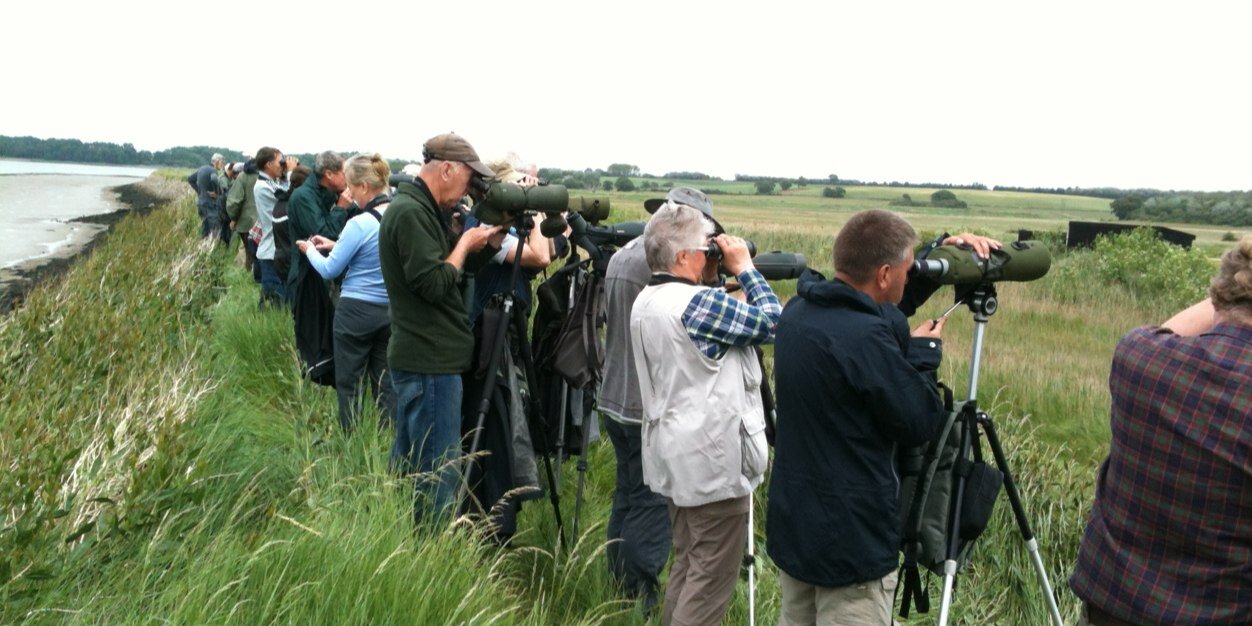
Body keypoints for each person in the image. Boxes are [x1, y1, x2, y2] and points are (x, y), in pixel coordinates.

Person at [766, 209, 999, 626]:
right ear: (886, 273)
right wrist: (922, 359)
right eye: (908, 271)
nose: (909, 279)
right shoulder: (864, 339)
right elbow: (919, 422)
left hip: (798, 531)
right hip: (851, 545)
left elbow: (880, 308)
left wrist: (939, 251)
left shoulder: (800, 311)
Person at [1070, 236, 1252, 626]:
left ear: (1220, 294)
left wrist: (1233, 289)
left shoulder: (1139, 357)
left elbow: (1174, 329)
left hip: (1108, 611)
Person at [630, 201, 781, 626]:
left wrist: (712, 274)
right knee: (710, 580)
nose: (710, 254)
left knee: (688, 563)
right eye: (705, 248)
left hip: (675, 457)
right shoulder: (697, 306)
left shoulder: (648, 298)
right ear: (682, 256)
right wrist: (745, 268)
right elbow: (775, 323)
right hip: (713, 465)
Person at [600, 188, 714, 615]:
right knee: (651, 507)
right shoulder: (657, 266)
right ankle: (639, 597)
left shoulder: (624, 254)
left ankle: (616, 585)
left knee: (627, 497)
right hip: (645, 404)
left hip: (615, 393)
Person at [378, 133, 501, 523]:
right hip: (429, 361)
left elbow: (454, 273)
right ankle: (431, 546)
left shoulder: (423, 209)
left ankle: (396, 534)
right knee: (438, 473)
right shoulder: (411, 213)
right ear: (447, 169)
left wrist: (490, 241)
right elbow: (433, 284)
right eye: (469, 177)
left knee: (411, 465)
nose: (469, 188)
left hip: (426, 356)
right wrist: (463, 244)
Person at [296, 153, 396, 433]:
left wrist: (311, 250)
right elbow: (374, 249)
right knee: (385, 384)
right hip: (389, 312)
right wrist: (336, 243)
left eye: (351, 187)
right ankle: (387, 438)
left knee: (350, 383)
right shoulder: (399, 215)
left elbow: (329, 270)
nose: (349, 194)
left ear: (364, 186)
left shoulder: (359, 223)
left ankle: (352, 439)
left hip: (355, 313)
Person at [253, 147, 297, 306]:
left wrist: (287, 174)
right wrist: (291, 174)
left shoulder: (271, 183)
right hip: (271, 251)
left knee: (280, 300)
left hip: (277, 249)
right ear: (268, 164)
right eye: (280, 162)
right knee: (277, 301)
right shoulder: (262, 187)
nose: (282, 165)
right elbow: (290, 199)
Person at [226, 159, 261, 282]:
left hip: (247, 223)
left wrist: (234, 218)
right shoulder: (269, 176)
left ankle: (250, 280)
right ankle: (257, 281)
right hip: (266, 223)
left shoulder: (242, 177)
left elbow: (234, 202)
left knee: (249, 254)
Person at [189, 153, 225, 239]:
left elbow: (190, 179)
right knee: (215, 228)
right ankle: (214, 245)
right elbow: (214, 179)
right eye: (222, 162)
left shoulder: (202, 168)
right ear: (217, 162)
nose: (223, 164)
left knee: (205, 227)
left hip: (201, 203)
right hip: (210, 204)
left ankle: (204, 245)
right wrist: (217, 193)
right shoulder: (213, 170)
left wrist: (200, 192)